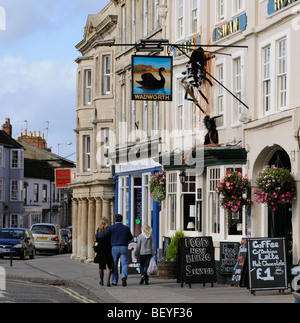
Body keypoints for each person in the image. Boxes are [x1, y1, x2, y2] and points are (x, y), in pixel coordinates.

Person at [95, 214, 133, 287]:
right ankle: (124, 276)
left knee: (114, 265)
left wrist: (96, 235)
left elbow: (104, 235)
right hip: (124, 247)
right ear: (121, 220)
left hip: (114, 247)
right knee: (124, 263)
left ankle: (114, 281)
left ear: (115, 220)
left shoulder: (111, 228)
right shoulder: (126, 228)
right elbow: (130, 238)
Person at [95, 218, 113, 287]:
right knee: (108, 266)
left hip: (100, 249)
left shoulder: (98, 230)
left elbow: (96, 240)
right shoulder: (108, 230)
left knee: (101, 266)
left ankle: (102, 281)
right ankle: (108, 282)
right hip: (108, 248)